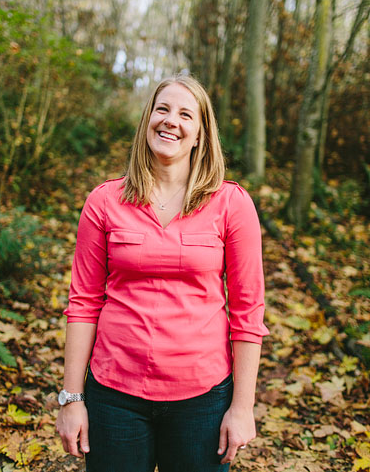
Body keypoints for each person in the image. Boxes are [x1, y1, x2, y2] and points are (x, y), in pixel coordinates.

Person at [56, 75, 269, 471]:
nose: (171, 120)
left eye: (186, 114)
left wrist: (242, 407)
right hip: (114, 397)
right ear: (147, 121)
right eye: (162, 109)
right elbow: (83, 303)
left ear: (200, 135)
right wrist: (72, 398)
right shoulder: (104, 201)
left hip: (203, 401)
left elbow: (248, 313)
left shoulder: (231, 204)